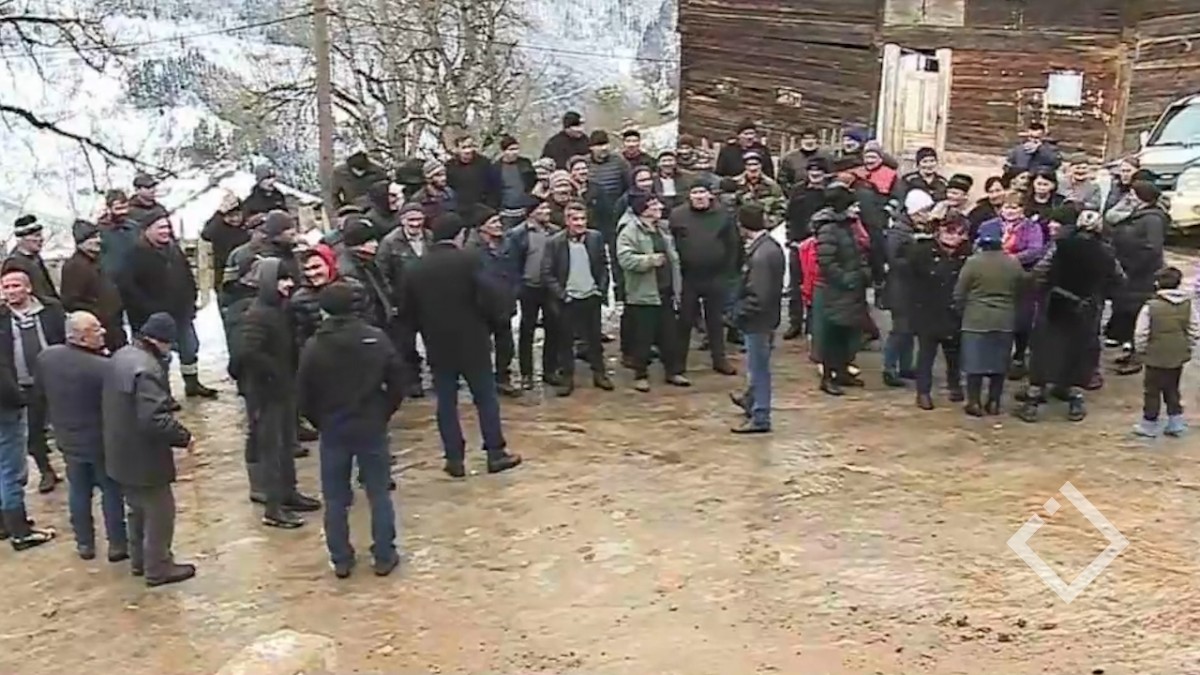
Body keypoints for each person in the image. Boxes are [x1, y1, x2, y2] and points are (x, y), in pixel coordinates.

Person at [402, 213, 522, 478]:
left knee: (446, 402)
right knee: (485, 398)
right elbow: (490, 296)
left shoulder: (415, 268)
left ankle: (454, 458)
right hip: (473, 341)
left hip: (437, 345)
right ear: (459, 235)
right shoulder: (470, 260)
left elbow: (408, 313)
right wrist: (493, 323)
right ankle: (495, 452)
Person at [298, 282, 403, 578]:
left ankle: (341, 558)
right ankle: (384, 554)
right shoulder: (375, 338)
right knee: (378, 492)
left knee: (334, 498)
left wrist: (320, 421)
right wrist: (383, 412)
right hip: (370, 424)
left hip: (333, 428)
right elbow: (398, 380)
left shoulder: (314, 346)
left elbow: (303, 394)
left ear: (324, 309)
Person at [103, 313, 196, 586]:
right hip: (144, 455)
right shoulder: (147, 369)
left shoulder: (122, 355)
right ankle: (158, 567)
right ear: (162, 341)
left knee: (136, 509)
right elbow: (154, 418)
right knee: (160, 511)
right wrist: (184, 437)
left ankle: (140, 561)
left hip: (119, 449)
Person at [230, 259, 321, 529]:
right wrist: (273, 373)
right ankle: (273, 508)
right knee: (271, 447)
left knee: (286, 443)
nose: (289, 284)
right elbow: (246, 353)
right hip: (265, 392)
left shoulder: (280, 309)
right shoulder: (258, 314)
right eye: (282, 279)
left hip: (283, 389)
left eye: (290, 278)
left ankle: (288, 493)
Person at [37, 312, 127, 561]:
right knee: (111, 492)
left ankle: (84, 544)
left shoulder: (47, 358)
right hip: (100, 442)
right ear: (82, 337)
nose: (103, 331)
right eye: (96, 329)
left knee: (78, 491)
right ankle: (118, 544)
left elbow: (40, 397)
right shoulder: (104, 368)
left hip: (68, 440)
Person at [1018, 209, 1122, 423]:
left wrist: (1039, 290)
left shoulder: (1060, 245)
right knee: (1078, 351)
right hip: (1087, 307)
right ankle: (1073, 395)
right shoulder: (1106, 252)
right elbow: (1119, 279)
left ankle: (1034, 397)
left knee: (1045, 349)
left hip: (1054, 303)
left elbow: (1040, 271)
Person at [119, 209, 218, 400]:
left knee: (190, 348)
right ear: (147, 230)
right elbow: (128, 288)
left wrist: (191, 299)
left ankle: (192, 383)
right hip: (152, 319)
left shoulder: (174, 250)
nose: (165, 231)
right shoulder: (134, 255)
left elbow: (187, 275)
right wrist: (149, 309)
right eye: (160, 228)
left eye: (167, 227)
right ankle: (163, 393)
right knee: (159, 358)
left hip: (181, 314)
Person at [0, 274, 58, 549]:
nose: (10, 292)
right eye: (6, 287)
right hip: (9, 402)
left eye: (15, 286)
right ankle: (20, 531)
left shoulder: (49, 310)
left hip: (35, 388)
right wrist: (18, 398)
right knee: (10, 470)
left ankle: (7, 524)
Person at [617, 194, 690, 392]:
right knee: (643, 337)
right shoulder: (629, 231)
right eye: (654, 205)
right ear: (643, 210)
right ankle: (640, 375)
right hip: (643, 294)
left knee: (669, 335)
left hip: (665, 291)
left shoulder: (662, 229)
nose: (659, 207)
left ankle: (673, 371)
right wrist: (649, 260)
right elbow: (625, 259)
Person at [541, 201, 614, 396]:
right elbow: (547, 273)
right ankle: (567, 378)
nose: (580, 223)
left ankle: (600, 374)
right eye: (575, 219)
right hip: (568, 300)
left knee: (594, 340)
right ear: (567, 221)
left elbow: (603, 266)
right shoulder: (554, 242)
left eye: (583, 219)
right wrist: (562, 295)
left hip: (591, 296)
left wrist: (600, 290)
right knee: (565, 341)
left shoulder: (595, 238)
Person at [670, 180, 740, 377]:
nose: (699, 196)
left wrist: (729, 272)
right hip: (688, 277)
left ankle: (719, 359)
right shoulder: (678, 215)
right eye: (695, 192)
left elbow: (733, 244)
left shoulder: (723, 215)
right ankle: (678, 363)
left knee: (715, 320)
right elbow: (672, 243)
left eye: (702, 192)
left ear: (710, 195)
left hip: (715, 275)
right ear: (689, 196)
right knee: (684, 321)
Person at [953, 230, 1026, 415]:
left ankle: (974, 402)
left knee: (975, 363)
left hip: (976, 319)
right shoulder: (1013, 263)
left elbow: (959, 292)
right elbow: (1022, 289)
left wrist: (961, 312)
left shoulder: (973, 262)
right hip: (1004, 319)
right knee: (999, 364)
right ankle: (994, 402)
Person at [728, 204, 784, 434]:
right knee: (757, 364)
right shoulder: (768, 247)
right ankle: (750, 400)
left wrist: (737, 312)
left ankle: (761, 415)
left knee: (758, 367)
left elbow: (758, 295)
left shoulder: (761, 254)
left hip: (758, 319)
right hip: (766, 317)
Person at [906, 219, 971, 409]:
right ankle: (923, 392)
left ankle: (954, 385)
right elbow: (910, 279)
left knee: (954, 353)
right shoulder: (922, 251)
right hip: (928, 309)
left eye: (958, 233)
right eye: (949, 231)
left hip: (955, 311)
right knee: (926, 355)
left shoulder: (968, 254)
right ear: (939, 232)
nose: (953, 236)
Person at [812, 185, 871, 396]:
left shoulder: (846, 225)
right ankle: (828, 377)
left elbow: (856, 252)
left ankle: (843, 370)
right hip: (836, 290)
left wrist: (862, 273)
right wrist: (846, 279)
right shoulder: (828, 228)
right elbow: (826, 261)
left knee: (846, 332)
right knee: (833, 335)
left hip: (852, 288)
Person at [1107, 180, 1169, 374]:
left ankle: (1137, 358)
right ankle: (1132, 351)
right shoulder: (1139, 214)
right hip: (1132, 272)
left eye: (1133, 195)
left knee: (1138, 315)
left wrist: (1133, 266)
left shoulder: (1152, 219)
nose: (1130, 198)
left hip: (1141, 275)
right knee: (1129, 313)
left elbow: (1153, 248)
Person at [1131, 266, 1198, 438]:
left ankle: (1149, 424)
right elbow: (1194, 328)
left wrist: (1141, 350)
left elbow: (1141, 332)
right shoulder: (1188, 305)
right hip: (1177, 355)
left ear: (1157, 284)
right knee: (1172, 388)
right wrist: (1187, 345)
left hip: (1155, 355)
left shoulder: (1150, 307)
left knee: (1152, 390)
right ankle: (1176, 422)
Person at [376, 204, 433, 397]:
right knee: (406, 344)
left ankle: (438, 375)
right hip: (403, 302)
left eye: (419, 219)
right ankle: (413, 380)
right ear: (402, 220)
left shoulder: (430, 237)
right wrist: (392, 299)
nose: (415, 224)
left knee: (434, 340)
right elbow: (382, 274)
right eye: (411, 220)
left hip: (428, 300)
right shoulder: (389, 243)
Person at [467, 207, 522, 396]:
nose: (499, 225)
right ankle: (481, 380)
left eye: (499, 221)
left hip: (504, 303)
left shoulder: (508, 243)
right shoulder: (471, 249)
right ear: (481, 227)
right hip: (481, 306)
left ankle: (502, 377)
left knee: (506, 344)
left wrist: (514, 291)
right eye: (493, 222)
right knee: (480, 347)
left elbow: (515, 269)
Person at [507, 200, 561, 389]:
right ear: (531, 212)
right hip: (528, 288)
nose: (547, 211)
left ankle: (550, 370)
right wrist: (517, 288)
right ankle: (526, 373)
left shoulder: (555, 231)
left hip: (550, 288)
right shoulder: (517, 234)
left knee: (553, 328)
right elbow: (513, 263)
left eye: (547, 207)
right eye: (542, 208)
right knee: (527, 330)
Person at [61, 219, 127, 353]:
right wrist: (97, 315)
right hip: (97, 330)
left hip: (114, 326)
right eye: (92, 238)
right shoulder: (74, 266)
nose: (98, 240)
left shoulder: (99, 261)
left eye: (98, 236)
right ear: (81, 242)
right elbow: (71, 301)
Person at [782, 157, 829, 340]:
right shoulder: (798, 190)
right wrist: (791, 238)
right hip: (798, 243)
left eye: (819, 171)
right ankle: (795, 322)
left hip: (819, 244)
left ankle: (813, 323)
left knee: (816, 285)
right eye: (812, 170)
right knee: (795, 285)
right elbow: (789, 216)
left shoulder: (830, 192)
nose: (815, 174)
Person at [200, 192, 248, 294]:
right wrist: (219, 212)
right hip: (224, 277)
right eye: (231, 216)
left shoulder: (246, 228)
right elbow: (206, 234)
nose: (235, 219)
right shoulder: (219, 228)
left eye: (237, 215)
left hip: (245, 276)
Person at [4, 215, 59, 302]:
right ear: (21, 239)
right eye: (36, 236)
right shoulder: (14, 263)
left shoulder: (36, 258)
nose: (41, 239)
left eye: (40, 235)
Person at [494, 135, 538, 229]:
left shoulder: (525, 163)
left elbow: (534, 181)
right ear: (503, 151)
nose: (514, 152)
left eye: (516, 149)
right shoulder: (496, 168)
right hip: (506, 212)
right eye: (511, 149)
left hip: (527, 209)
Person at [446, 135, 500, 210]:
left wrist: (491, 206)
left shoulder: (484, 163)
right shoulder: (450, 166)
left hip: (483, 207)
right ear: (457, 149)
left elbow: (494, 186)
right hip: (461, 209)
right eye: (464, 147)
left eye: (470, 147)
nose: (468, 151)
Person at [778, 129, 832, 194]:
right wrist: (790, 193)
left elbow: (832, 175)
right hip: (797, 194)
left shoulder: (826, 156)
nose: (809, 141)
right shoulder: (790, 158)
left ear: (816, 140)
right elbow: (782, 179)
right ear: (801, 140)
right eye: (806, 138)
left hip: (821, 194)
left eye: (812, 138)